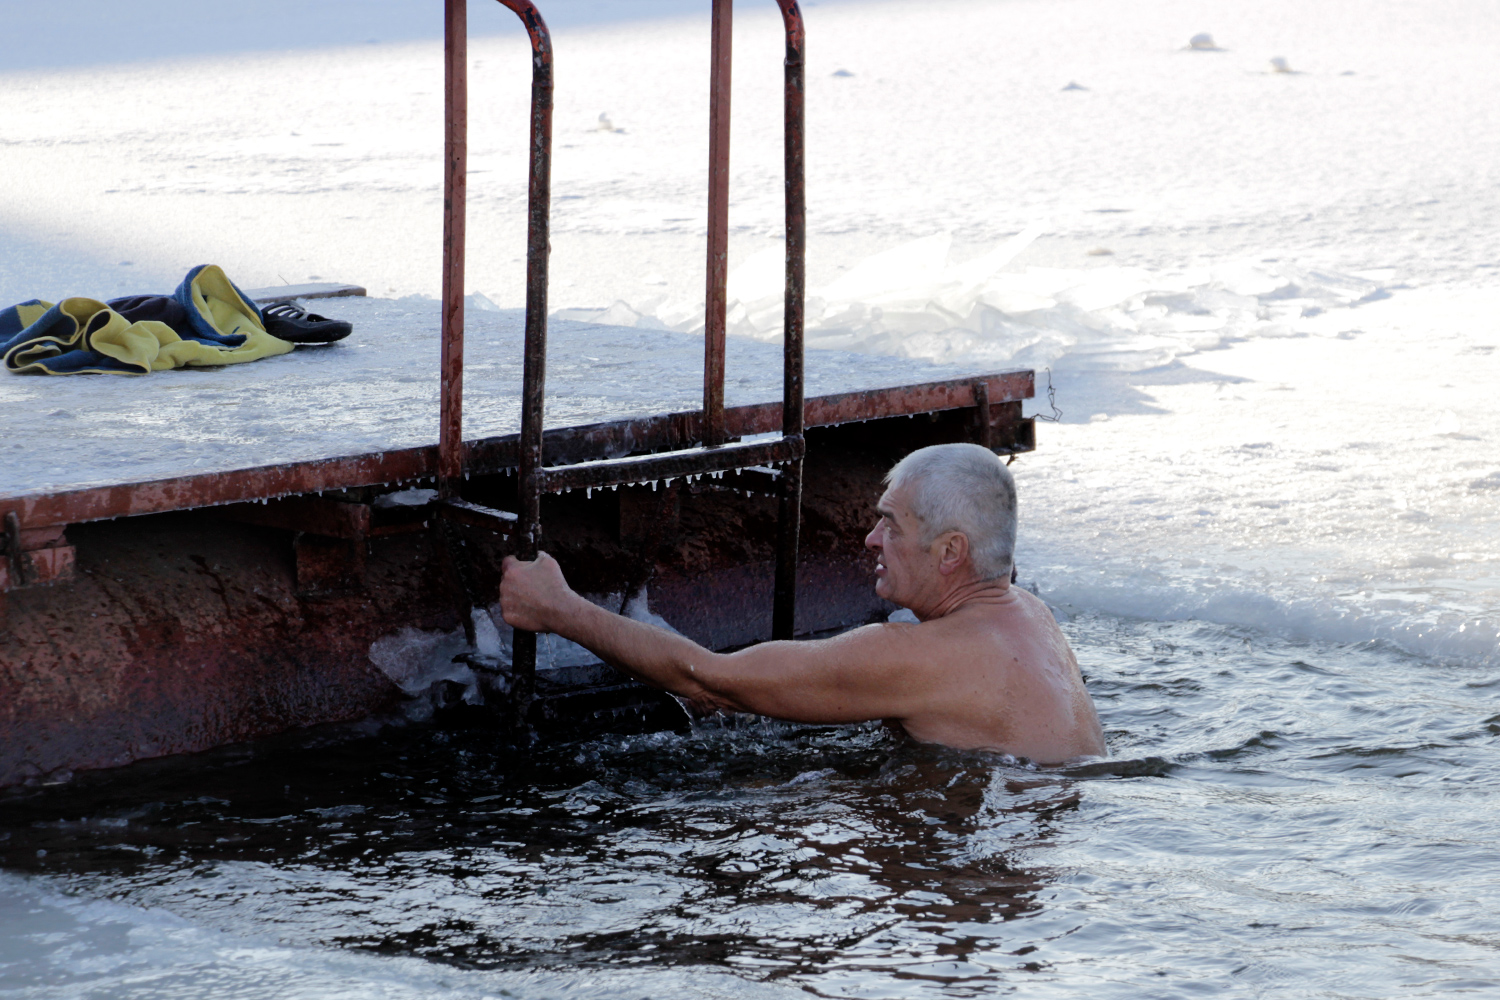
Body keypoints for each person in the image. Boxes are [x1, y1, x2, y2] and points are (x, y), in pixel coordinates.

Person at [498, 443, 1106, 765]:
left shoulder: (918, 657)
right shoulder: (1031, 615)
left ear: (951, 552)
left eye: (890, 526)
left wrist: (558, 608)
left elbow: (711, 681)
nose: (871, 539)